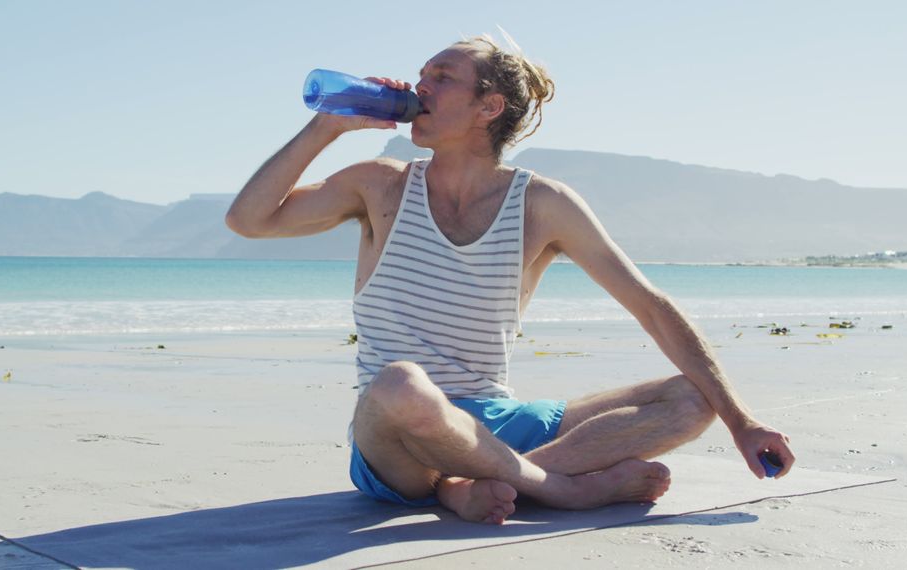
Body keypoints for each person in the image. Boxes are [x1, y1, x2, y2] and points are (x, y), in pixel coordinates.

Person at [226, 35, 795, 524]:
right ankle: (556, 488)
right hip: (396, 434)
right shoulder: (381, 186)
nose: (419, 86)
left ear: (488, 106)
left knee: (695, 400)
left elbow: (648, 305)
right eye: (421, 74)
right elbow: (248, 220)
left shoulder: (541, 204)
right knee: (400, 383)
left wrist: (742, 421)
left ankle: (466, 488)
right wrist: (324, 128)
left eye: (441, 77)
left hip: (500, 424)